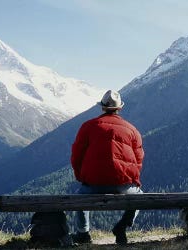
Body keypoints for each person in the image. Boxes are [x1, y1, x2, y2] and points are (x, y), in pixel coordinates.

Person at [69, 90, 144, 245]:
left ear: (102, 107)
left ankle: (83, 234)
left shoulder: (88, 126)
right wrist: (133, 180)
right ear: (119, 108)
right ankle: (122, 227)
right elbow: (138, 159)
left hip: (94, 184)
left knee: (80, 198)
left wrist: (82, 178)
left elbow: (76, 155)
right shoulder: (132, 129)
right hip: (123, 185)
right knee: (140, 197)